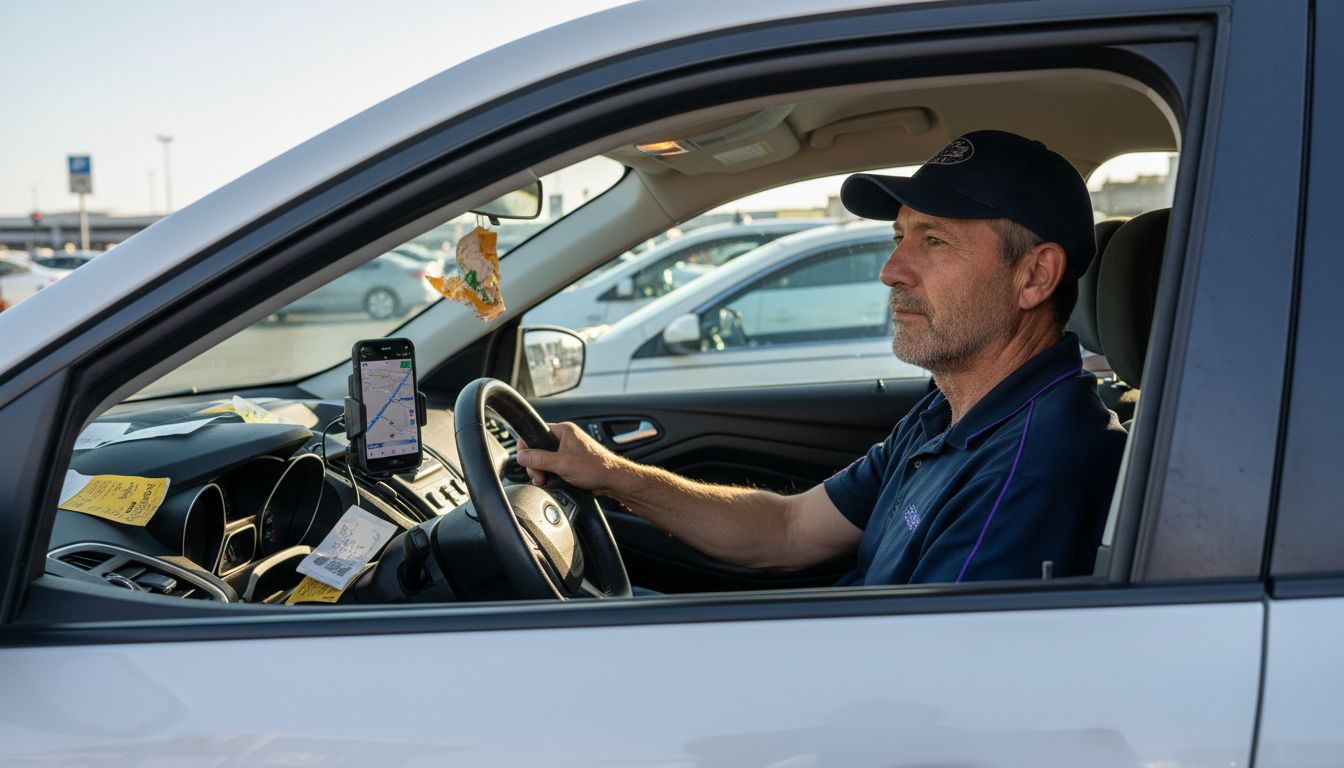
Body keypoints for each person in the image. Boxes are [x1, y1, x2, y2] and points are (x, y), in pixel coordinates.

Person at [516, 130, 1127, 586]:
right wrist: (610, 472)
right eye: (898, 238)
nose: (891, 271)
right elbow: (788, 529)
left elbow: (928, 688)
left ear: (1034, 276)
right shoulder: (951, 411)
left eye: (934, 240)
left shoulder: (1030, 470)